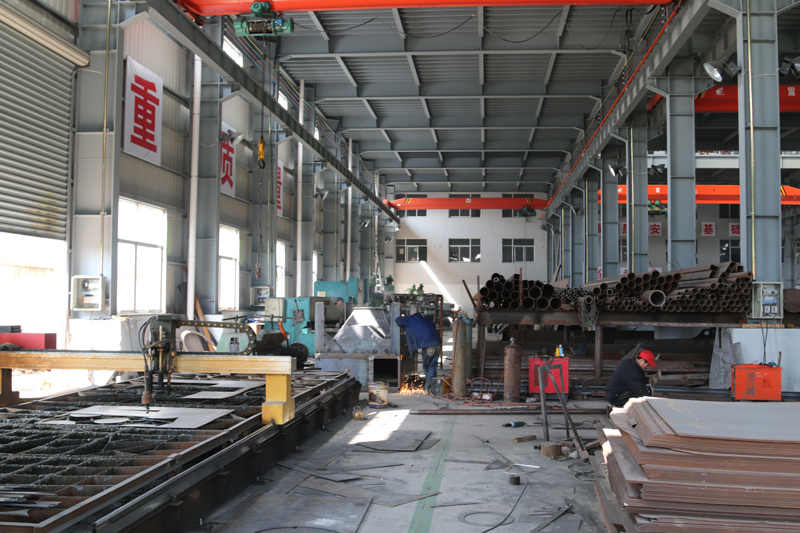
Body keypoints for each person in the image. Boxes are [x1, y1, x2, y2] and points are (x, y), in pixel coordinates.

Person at [395, 313, 442, 393]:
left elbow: (397, 320)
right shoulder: (425, 320)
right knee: (433, 366)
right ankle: (434, 388)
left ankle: (428, 388)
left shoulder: (410, 319)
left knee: (427, 368)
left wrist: (405, 317)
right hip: (437, 344)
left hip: (429, 346)